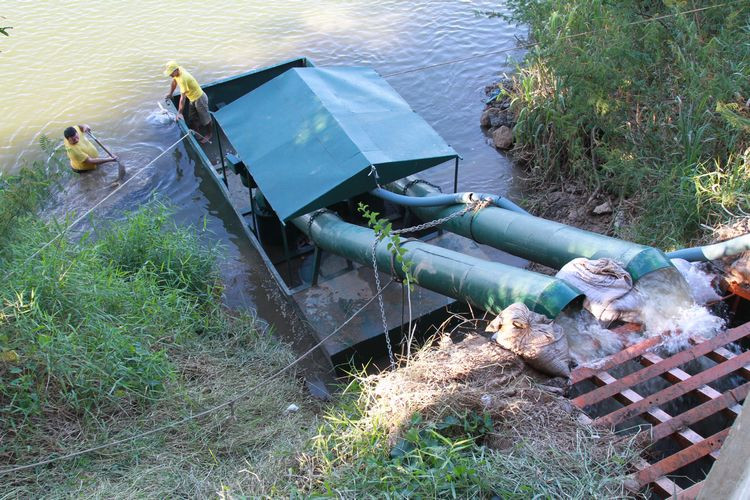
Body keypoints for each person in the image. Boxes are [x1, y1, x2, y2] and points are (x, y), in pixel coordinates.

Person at [164, 61, 212, 143]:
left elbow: (183, 98)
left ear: (176, 70)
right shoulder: (178, 71)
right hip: (192, 98)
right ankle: (197, 131)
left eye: (171, 73)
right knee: (192, 117)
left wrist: (179, 113)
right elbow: (174, 82)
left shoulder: (183, 78)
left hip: (200, 99)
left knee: (205, 119)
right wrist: (170, 93)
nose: (170, 75)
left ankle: (209, 134)